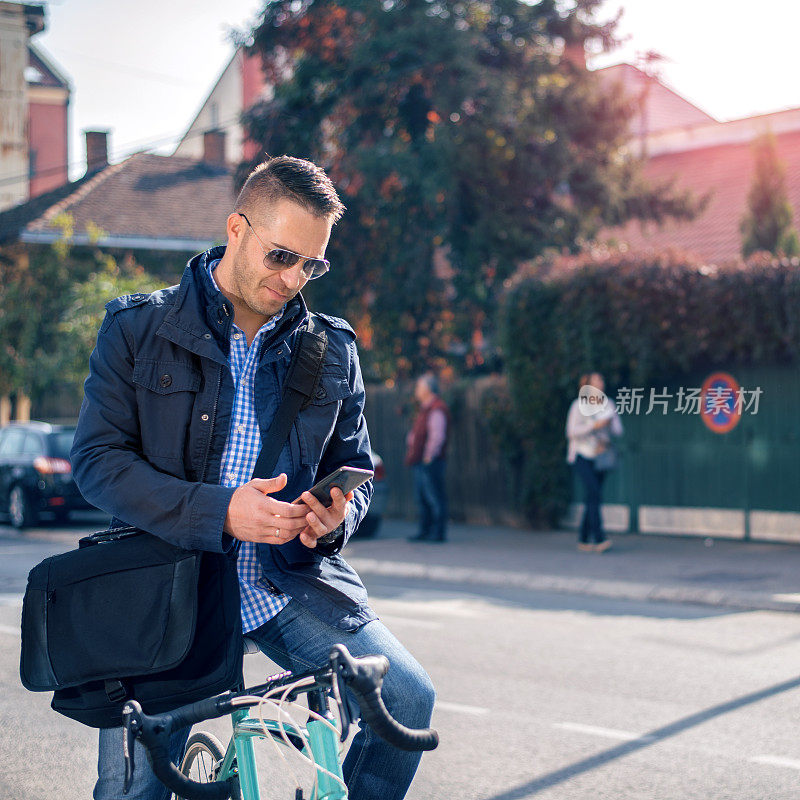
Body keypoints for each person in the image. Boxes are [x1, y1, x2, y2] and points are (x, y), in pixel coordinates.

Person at [71, 155, 435, 800]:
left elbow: (358, 475)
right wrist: (221, 513)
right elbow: (99, 465)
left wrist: (332, 520)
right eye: (281, 256)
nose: (294, 278)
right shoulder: (136, 329)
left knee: (405, 696)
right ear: (236, 228)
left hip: (283, 585)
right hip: (166, 589)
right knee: (135, 792)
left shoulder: (333, 350)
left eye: (312, 265)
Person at [565, 372, 623, 553]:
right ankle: (599, 537)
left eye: (601, 380)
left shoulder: (608, 405)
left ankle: (583, 538)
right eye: (596, 380)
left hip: (601, 456)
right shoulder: (578, 406)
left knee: (592, 496)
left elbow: (618, 431)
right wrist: (594, 426)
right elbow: (571, 432)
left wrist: (610, 420)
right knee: (594, 492)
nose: (600, 383)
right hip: (582, 455)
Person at [404, 373, 449, 543]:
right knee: (422, 497)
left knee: (434, 497)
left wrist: (429, 457)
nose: (417, 390)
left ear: (428, 389)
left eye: (419, 386)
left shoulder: (436, 408)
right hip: (421, 461)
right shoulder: (426, 408)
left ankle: (437, 532)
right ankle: (426, 531)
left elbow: (437, 436)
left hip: (429, 462)